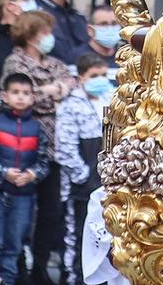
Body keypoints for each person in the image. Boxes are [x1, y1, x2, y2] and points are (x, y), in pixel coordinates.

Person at [3, 10, 76, 279]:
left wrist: (53, 90)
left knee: (51, 209)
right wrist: (52, 92)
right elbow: (26, 95)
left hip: (54, 147)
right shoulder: (15, 62)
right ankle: (20, 264)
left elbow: (72, 82)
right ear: (32, 35)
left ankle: (41, 266)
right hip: (24, 144)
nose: (50, 37)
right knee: (22, 210)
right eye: (45, 32)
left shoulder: (54, 62)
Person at [0, 73, 51, 285]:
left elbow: (43, 161)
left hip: (24, 196)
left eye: (26, 93)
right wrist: (3, 174)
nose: (20, 97)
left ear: (32, 98)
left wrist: (31, 175)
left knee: (14, 246)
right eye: (15, 93)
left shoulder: (37, 129)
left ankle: (7, 281)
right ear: (5, 96)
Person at [53, 55, 110, 285]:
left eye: (103, 75)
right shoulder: (70, 106)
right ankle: (75, 279)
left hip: (106, 186)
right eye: (93, 76)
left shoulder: (111, 100)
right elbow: (64, 147)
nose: (100, 80)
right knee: (77, 237)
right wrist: (83, 176)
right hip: (81, 188)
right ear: (80, 79)